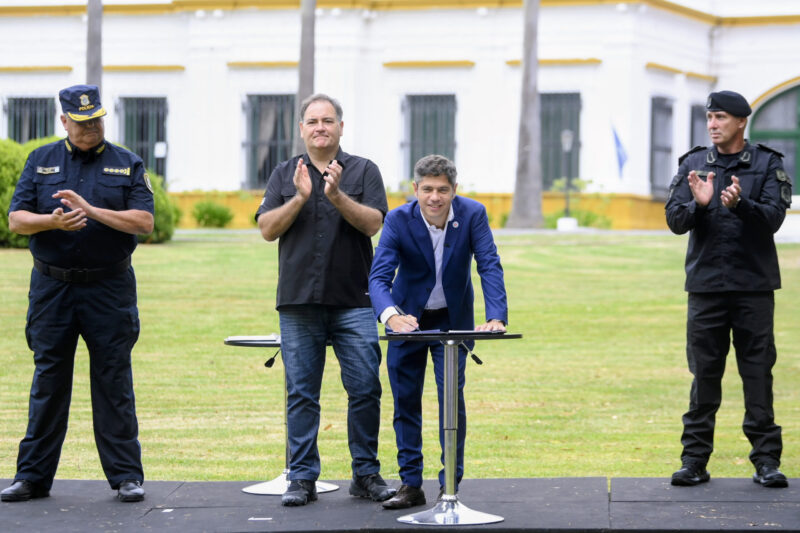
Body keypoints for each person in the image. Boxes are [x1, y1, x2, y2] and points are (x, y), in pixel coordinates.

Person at [2, 85, 153, 503]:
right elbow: (16, 220)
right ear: (64, 120)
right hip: (53, 289)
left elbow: (143, 221)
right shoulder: (41, 160)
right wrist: (51, 222)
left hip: (109, 288)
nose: (92, 127)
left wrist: (91, 210)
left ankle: (126, 476)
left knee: (113, 381)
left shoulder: (128, 163)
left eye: (98, 119)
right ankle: (31, 477)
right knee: (48, 380)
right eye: (83, 121)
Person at [255, 93, 394, 506]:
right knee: (301, 391)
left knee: (366, 387)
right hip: (298, 301)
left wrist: (336, 196)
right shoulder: (284, 174)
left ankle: (365, 474)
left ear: (340, 127)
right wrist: (299, 198)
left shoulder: (364, 170)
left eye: (328, 120)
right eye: (313, 121)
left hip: (354, 299)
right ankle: (301, 477)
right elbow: (266, 229)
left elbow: (373, 224)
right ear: (301, 129)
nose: (320, 127)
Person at [665, 90, 792, 488]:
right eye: (709, 118)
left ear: (741, 121)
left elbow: (772, 219)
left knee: (757, 375)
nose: (712, 125)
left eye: (720, 117)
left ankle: (766, 462)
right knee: (704, 376)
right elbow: (674, 219)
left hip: (753, 288)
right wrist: (700, 205)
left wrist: (741, 205)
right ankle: (694, 461)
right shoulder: (693, 164)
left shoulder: (769, 163)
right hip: (706, 289)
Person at [368, 154, 508, 509]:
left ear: (454, 190)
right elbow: (379, 276)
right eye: (427, 189)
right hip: (407, 321)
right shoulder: (398, 220)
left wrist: (496, 315)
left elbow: (488, 263)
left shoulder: (473, 214)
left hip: (452, 320)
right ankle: (410, 484)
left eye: (442, 190)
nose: (434, 197)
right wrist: (390, 316)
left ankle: (451, 485)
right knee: (406, 403)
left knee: (451, 404)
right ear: (415, 189)